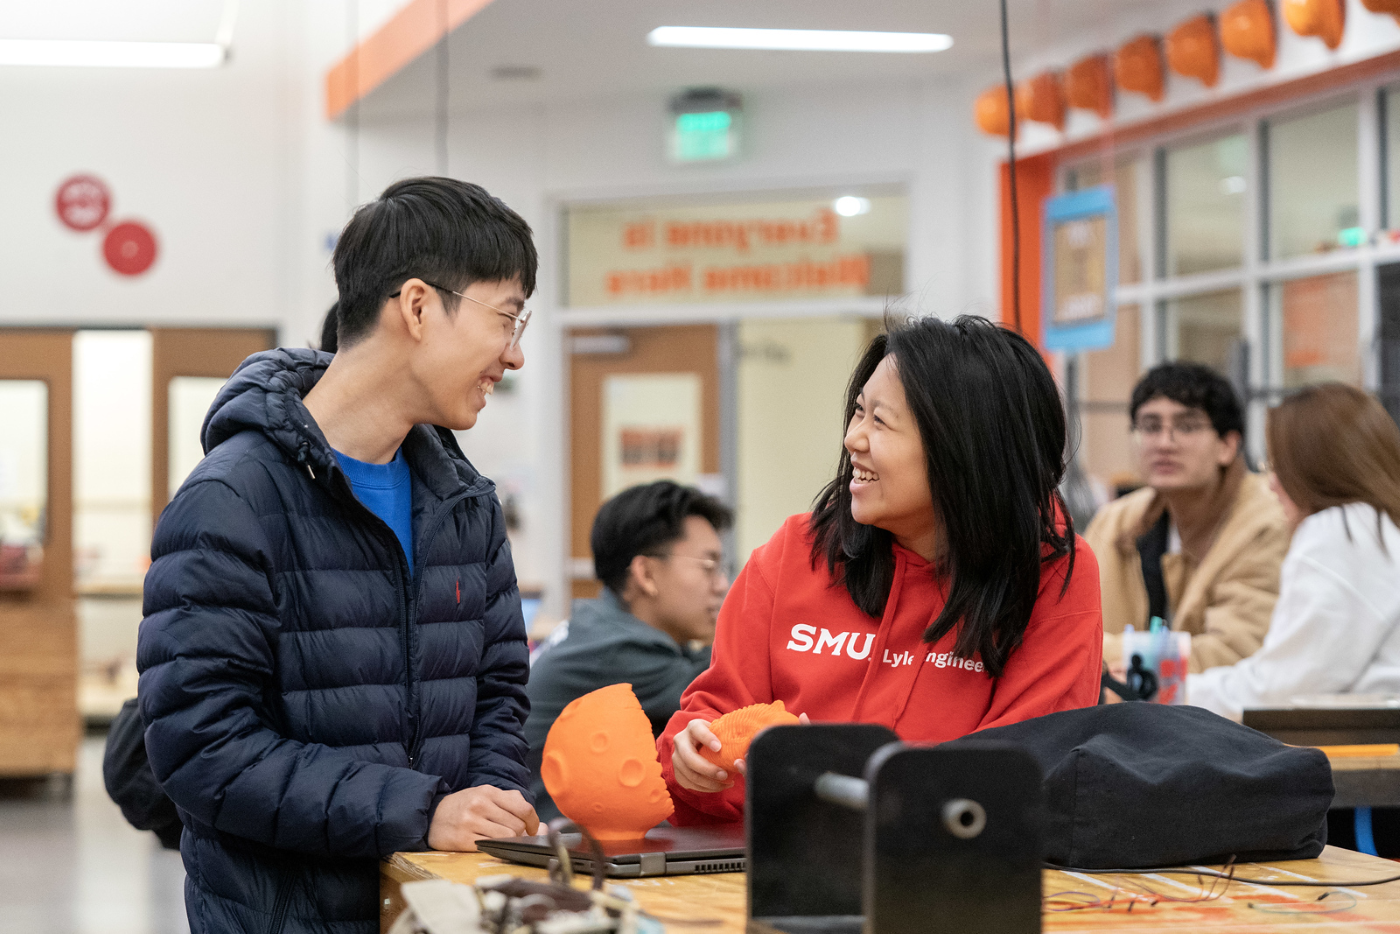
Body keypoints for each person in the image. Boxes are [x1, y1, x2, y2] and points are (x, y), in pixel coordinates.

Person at [137, 177, 540, 934]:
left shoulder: (465, 503)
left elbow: (500, 698)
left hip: (440, 912)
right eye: (507, 318)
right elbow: (203, 750)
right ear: (418, 306)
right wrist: (423, 812)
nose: (513, 357)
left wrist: (483, 812)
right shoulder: (232, 501)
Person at [660, 314, 1104, 825]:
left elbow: (1023, 772)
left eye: (880, 421)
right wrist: (692, 755)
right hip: (770, 869)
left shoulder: (1049, 571)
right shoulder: (796, 552)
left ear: (961, 445)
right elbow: (707, 717)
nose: (853, 439)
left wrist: (828, 772)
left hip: (948, 879)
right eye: (857, 413)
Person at [1188, 384, 1400, 719]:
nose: (1271, 483)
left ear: (1315, 467)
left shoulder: (1340, 532)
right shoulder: (1383, 525)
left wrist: (1171, 694)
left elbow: (1282, 689)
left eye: (1276, 464)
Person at [524, 481, 732, 821]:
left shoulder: (601, 627)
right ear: (646, 574)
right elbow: (727, 684)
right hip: (554, 848)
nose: (722, 585)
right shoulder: (615, 649)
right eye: (708, 567)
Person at [1085, 363, 1288, 676]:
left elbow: (1235, 656)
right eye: (1151, 427)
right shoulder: (1115, 521)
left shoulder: (1268, 522)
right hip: (1120, 713)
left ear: (1228, 445)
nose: (1165, 443)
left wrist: (1096, 652)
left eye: (1187, 427)